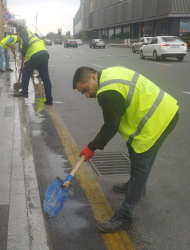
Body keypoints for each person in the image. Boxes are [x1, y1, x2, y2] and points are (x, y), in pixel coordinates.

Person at [72, 66, 179, 233]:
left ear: (93, 77)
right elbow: (112, 119)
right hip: (162, 110)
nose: (87, 95)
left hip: (159, 119)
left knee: (140, 164)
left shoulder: (107, 93)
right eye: (82, 93)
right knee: (134, 151)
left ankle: (125, 216)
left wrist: (91, 147)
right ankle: (136, 186)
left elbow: (111, 126)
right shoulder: (109, 74)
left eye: (85, 90)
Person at [14, 26, 53, 106]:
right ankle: (49, 100)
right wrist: (24, 65)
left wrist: (23, 54)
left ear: (18, 31)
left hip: (36, 55)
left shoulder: (23, 31)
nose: (18, 35)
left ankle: (24, 92)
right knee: (46, 79)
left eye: (17, 34)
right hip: (44, 54)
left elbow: (25, 43)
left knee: (25, 72)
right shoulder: (31, 34)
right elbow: (31, 57)